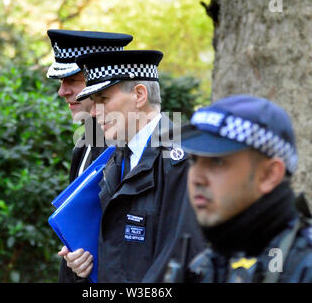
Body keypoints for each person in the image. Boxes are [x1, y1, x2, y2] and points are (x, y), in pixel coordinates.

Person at [60, 49, 205, 282]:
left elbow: (182, 260)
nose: (95, 112)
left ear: (139, 95)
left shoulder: (182, 163)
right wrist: (85, 261)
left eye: (104, 99)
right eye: (93, 102)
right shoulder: (115, 159)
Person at [177, 94, 312, 283]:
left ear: (269, 175)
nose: (197, 178)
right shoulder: (207, 264)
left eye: (217, 162)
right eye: (194, 160)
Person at [45, 29, 133, 282]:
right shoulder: (87, 139)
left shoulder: (131, 144)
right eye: (62, 82)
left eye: (73, 79)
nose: (62, 92)